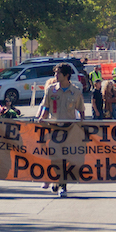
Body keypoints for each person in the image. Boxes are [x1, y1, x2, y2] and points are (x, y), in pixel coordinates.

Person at [39, 63, 84, 197]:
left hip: (69, 129)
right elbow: (46, 107)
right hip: (54, 129)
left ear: (66, 75)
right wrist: (42, 118)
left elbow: (81, 110)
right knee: (55, 158)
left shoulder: (75, 91)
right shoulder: (51, 90)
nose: (55, 76)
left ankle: (62, 185)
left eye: (58, 73)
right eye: (55, 73)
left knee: (66, 158)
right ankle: (57, 181)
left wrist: (82, 125)